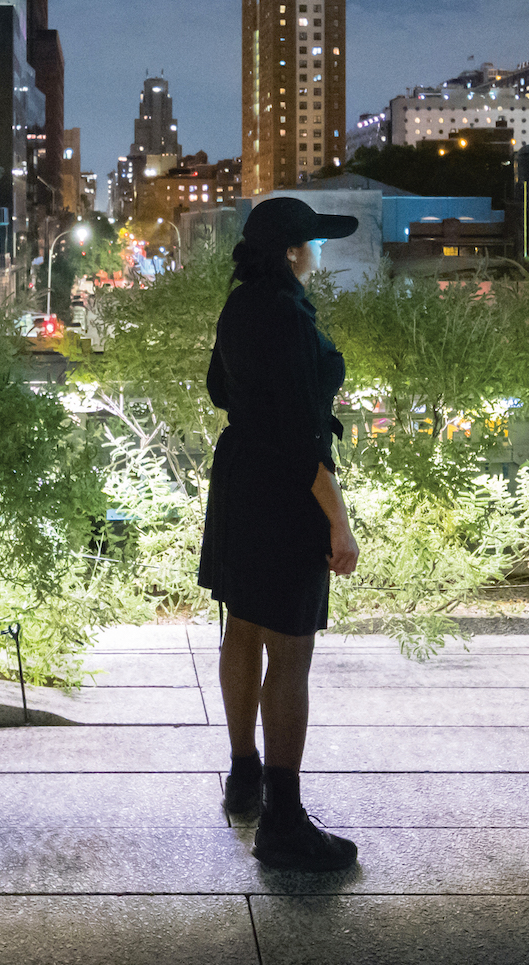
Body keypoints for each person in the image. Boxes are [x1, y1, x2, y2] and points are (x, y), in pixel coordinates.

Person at [198, 195, 361, 872]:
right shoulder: (291, 317)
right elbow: (302, 438)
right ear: (294, 252)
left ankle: (245, 778)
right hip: (283, 490)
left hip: (239, 483)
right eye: (314, 244)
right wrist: (339, 518)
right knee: (290, 654)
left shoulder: (238, 306)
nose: (319, 253)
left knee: (243, 627)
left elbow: (217, 388)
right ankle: (285, 824)